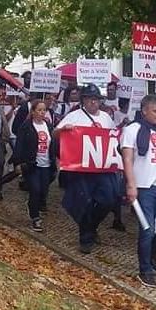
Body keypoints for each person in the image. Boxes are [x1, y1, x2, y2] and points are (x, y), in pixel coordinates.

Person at [120, 94, 156, 287]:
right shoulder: (132, 130)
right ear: (144, 110)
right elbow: (127, 158)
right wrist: (130, 184)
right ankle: (145, 269)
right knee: (147, 229)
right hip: (144, 187)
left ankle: (151, 253)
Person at [56, 84, 119, 254]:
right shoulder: (74, 116)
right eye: (90, 99)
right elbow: (56, 134)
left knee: (108, 200)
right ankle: (85, 237)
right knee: (83, 201)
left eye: (96, 99)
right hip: (81, 168)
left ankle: (92, 226)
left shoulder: (106, 117)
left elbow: (113, 139)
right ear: (84, 100)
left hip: (102, 168)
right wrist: (63, 130)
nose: (93, 102)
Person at [13, 99, 58, 232]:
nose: (42, 113)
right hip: (32, 164)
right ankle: (35, 217)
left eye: (44, 110)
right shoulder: (26, 127)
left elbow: (53, 144)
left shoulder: (48, 126)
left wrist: (55, 159)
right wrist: (18, 163)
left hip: (46, 164)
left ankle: (36, 207)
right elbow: (19, 146)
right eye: (39, 110)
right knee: (35, 190)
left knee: (43, 191)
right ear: (33, 112)